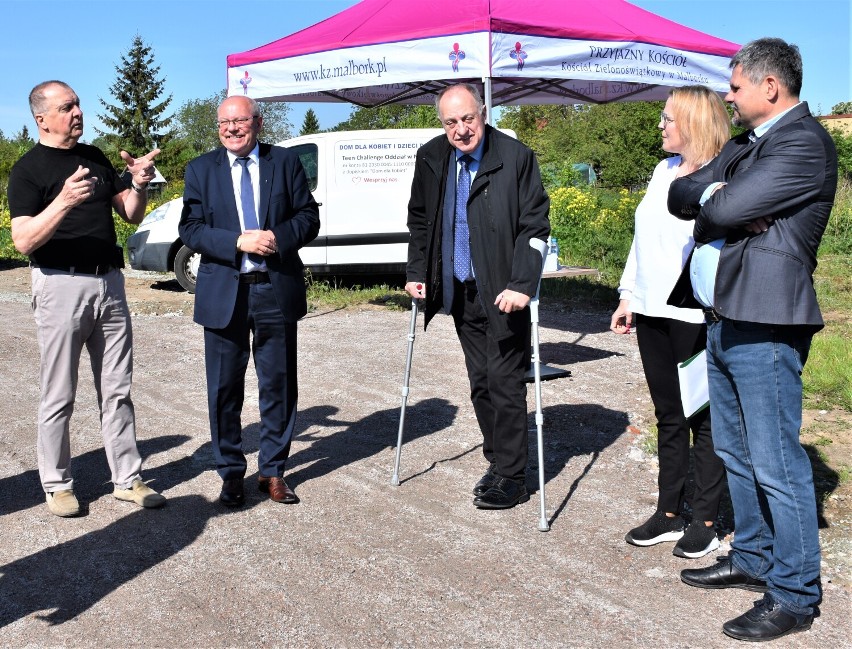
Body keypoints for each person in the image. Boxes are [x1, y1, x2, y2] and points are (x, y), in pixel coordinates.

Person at [667, 38, 837, 642]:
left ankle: (793, 594)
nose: (729, 98)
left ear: (770, 87)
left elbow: (717, 203)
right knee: (736, 453)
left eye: (735, 87)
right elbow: (680, 194)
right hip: (723, 317)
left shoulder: (803, 145)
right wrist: (718, 199)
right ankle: (755, 556)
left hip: (766, 323)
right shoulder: (747, 146)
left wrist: (718, 200)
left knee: (775, 460)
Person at [8, 80, 166, 517]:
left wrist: (138, 183)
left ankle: (127, 479)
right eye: (67, 106)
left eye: (78, 103)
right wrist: (60, 202)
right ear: (42, 118)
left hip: (109, 285)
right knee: (59, 392)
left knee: (118, 389)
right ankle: (57, 484)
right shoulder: (27, 170)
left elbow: (130, 214)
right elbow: (22, 240)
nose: (77, 111)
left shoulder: (94, 157)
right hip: (60, 286)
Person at [405, 83, 550, 509]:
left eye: (468, 118)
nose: (461, 130)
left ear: (483, 112)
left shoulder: (515, 157)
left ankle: (513, 475)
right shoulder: (432, 157)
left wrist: (523, 284)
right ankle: (498, 460)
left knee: (505, 382)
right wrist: (417, 273)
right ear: (441, 123)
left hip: (505, 292)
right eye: (451, 122)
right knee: (480, 383)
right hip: (459, 290)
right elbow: (420, 220)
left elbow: (534, 226)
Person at [179, 95, 319, 507]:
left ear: (258, 122)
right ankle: (230, 472)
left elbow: (308, 217)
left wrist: (279, 238)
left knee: (278, 384)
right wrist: (238, 241)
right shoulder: (201, 170)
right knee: (224, 388)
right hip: (225, 292)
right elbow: (191, 228)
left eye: (239, 121)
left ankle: (273, 470)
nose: (232, 130)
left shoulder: (285, 162)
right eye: (224, 123)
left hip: (274, 288)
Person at [610, 86, 729, 559]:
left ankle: (704, 518)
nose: (660, 126)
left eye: (667, 119)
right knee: (668, 415)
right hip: (654, 311)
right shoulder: (663, 171)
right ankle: (668, 512)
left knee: (704, 417)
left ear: (694, 123)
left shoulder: (723, 175)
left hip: (696, 314)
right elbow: (643, 242)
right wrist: (628, 296)